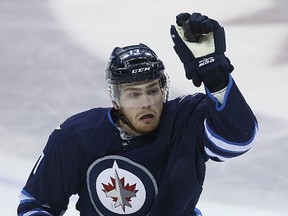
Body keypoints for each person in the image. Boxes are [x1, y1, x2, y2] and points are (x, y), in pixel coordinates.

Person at [17, 12, 258, 216]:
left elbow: (237, 140)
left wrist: (215, 76)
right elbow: (36, 203)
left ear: (163, 89)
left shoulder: (186, 119)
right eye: (133, 94)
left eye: (152, 90)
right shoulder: (77, 135)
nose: (146, 102)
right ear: (115, 99)